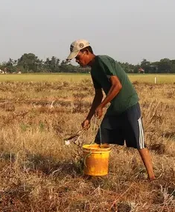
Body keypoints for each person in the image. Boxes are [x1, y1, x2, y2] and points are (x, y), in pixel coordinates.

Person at [66, 39, 155, 180]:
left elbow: (117, 86)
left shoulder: (102, 61)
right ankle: (94, 174)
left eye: (78, 56)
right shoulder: (93, 71)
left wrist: (102, 106)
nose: (76, 60)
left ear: (87, 52)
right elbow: (98, 96)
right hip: (115, 108)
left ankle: (152, 177)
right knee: (100, 139)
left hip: (129, 105)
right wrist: (88, 118)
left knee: (139, 142)